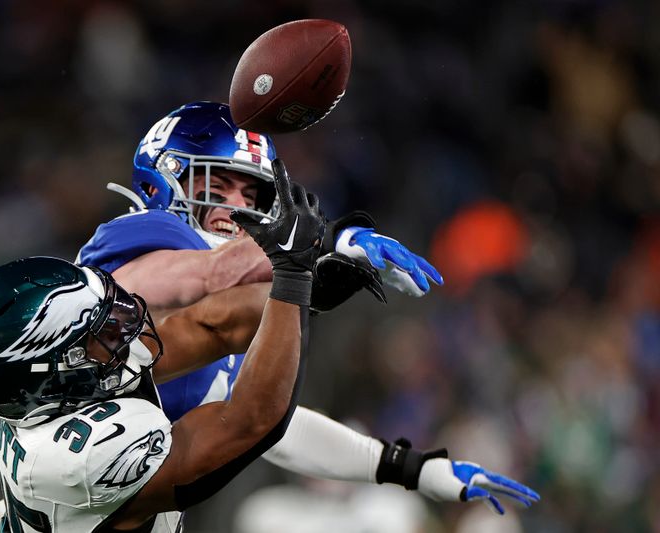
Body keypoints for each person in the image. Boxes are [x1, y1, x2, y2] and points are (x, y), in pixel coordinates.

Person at [75, 101, 538, 516]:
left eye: (251, 194)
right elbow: (207, 273)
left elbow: (269, 425)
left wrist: (410, 468)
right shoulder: (135, 237)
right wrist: (333, 239)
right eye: (217, 185)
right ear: (164, 179)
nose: (237, 208)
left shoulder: (223, 288)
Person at [0, 162, 324, 532]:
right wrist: (292, 279)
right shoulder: (82, 457)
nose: (120, 325)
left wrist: (303, 291)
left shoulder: (29, 389)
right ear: (52, 372)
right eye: (95, 333)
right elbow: (251, 421)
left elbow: (211, 325)